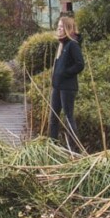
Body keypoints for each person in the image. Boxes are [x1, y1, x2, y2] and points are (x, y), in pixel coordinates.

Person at [49, 15, 84, 151]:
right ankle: (52, 146)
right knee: (53, 117)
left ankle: (73, 149)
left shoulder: (72, 45)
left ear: (68, 28)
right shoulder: (61, 44)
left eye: (61, 27)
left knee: (68, 117)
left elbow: (80, 64)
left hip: (68, 88)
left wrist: (65, 73)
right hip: (57, 86)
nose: (58, 29)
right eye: (58, 27)